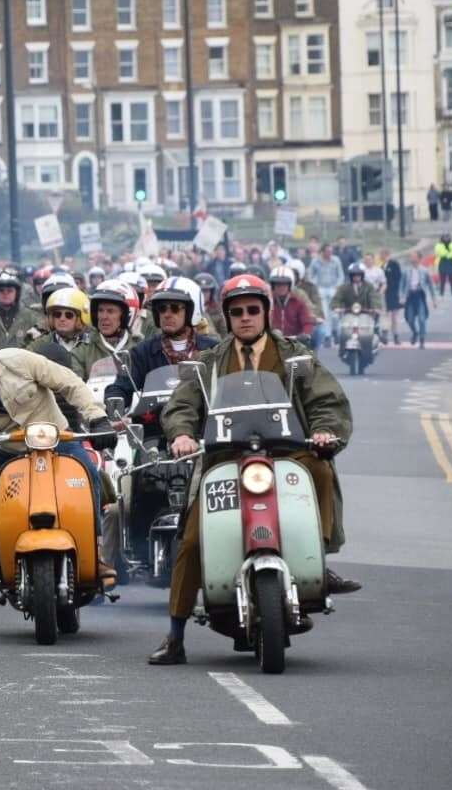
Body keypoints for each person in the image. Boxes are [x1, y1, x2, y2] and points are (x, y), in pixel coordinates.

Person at [147, 275, 358, 667]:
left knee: (322, 470)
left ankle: (320, 558)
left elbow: (326, 401)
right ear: (226, 317)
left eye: (252, 310)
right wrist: (181, 435)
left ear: (266, 313)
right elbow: (181, 405)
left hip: (287, 455)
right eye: (237, 312)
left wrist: (325, 431)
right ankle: (175, 636)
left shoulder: (296, 356)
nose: (245, 318)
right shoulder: (209, 362)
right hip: (225, 460)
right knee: (191, 538)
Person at [0, 336, 113, 637]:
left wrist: (97, 417)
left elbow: (67, 382)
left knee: (90, 475)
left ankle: (99, 555)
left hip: (58, 442)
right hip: (10, 460)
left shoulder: (16, 361)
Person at [105, 279, 217, 414]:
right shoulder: (142, 352)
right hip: (154, 430)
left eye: (175, 308)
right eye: (162, 309)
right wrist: (115, 401)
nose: (167, 314)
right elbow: (121, 386)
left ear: (192, 311)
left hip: (203, 429)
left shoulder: (212, 349)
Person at [268, 266, 317, 344]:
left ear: (290, 285)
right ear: (273, 286)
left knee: (310, 353)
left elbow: (307, 322)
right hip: (272, 343)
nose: (281, 287)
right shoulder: (267, 302)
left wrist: (306, 334)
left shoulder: (298, 302)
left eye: (284, 284)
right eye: (277, 284)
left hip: (295, 343)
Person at [401, 250, 434, 348]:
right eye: (411, 257)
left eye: (414, 257)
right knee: (409, 319)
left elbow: (431, 285)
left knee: (422, 319)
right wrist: (401, 297)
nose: (412, 259)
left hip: (420, 296)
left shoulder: (424, 270)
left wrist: (434, 299)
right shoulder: (406, 271)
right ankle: (415, 332)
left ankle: (422, 340)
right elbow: (401, 285)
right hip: (410, 296)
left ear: (419, 259)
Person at [382, 252, 405, 345]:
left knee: (394, 316)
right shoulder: (382, 266)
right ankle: (385, 335)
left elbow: (399, 277)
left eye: (383, 255)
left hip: (394, 292)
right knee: (386, 315)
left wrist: (399, 292)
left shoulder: (394, 264)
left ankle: (396, 336)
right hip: (385, 293)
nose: (382, 257)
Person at [433, 235, 452, 299]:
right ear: (442, 238)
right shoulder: (438, 245)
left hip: (451, 262)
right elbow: (440, 253)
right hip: (442, 262)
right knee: (442, 280)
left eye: (447, 237)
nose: (446, 238)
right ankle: (441, 294)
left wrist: (448, 255)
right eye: (444, 237)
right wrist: (448, 254)